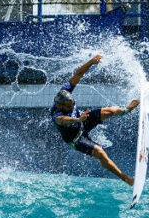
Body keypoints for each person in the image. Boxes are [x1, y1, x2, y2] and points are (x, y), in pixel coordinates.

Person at [51, 54, 139, 186]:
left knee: (110, 111)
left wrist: (91, 62)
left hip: (82, 120)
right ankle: (125, 178)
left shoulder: (65, 92)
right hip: (76, 139)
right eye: (68, 106)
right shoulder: (56, 113)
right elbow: (63, 120)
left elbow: (78, 74)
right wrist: (77, 119)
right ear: (60, 105)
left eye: (72, 104)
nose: (71, 106)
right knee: (100, 153)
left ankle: (127, 110)